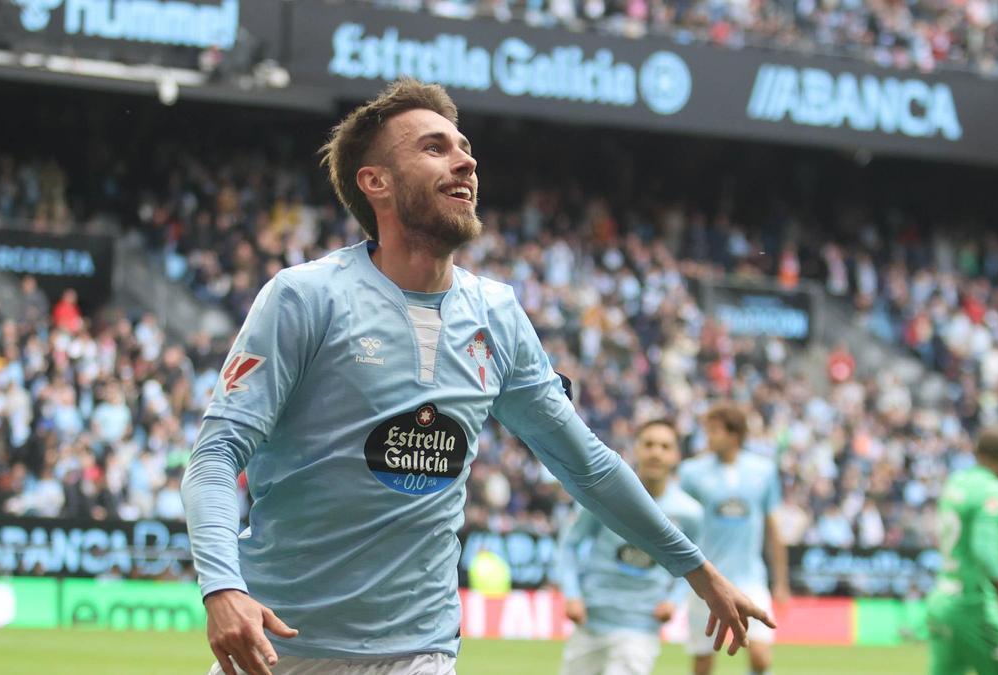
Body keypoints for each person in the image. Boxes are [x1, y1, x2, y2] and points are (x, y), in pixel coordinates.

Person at [181, 79, 773, 675]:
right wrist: (221, 587)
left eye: (464, 147)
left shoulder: (497, 314)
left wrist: (696, 569)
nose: (466, 159)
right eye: (434, 148)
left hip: (420, 653)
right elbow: (215, 455)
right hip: (280, 650)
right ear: (376, 181)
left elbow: (586, 465)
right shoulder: (304, 298)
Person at [556, 418, 704, 675]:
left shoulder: (690, 513)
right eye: (649, 444)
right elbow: (570, 544)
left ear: (676, 455)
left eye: (665, 446)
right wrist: (572, 594)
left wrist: (673, 601)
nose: (656, 452)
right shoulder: (604, 495)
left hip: (641, 627)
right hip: (590, 620)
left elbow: (694, 566)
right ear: (636, 449)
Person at [679, 402, 788, 675]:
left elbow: (774, 529)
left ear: (734, 435)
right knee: (703, 663)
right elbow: (679, 523)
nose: (708, 437)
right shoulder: (691, 472)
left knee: (760, 656)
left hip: (750, 578)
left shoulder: (763, 471)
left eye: (714, 431)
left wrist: (781, 581)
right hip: (706, 579)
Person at [925, 428, 998, 675]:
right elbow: (984, 549)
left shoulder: (956, 483)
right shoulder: (993, 491)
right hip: (971, 603)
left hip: (942, 598)